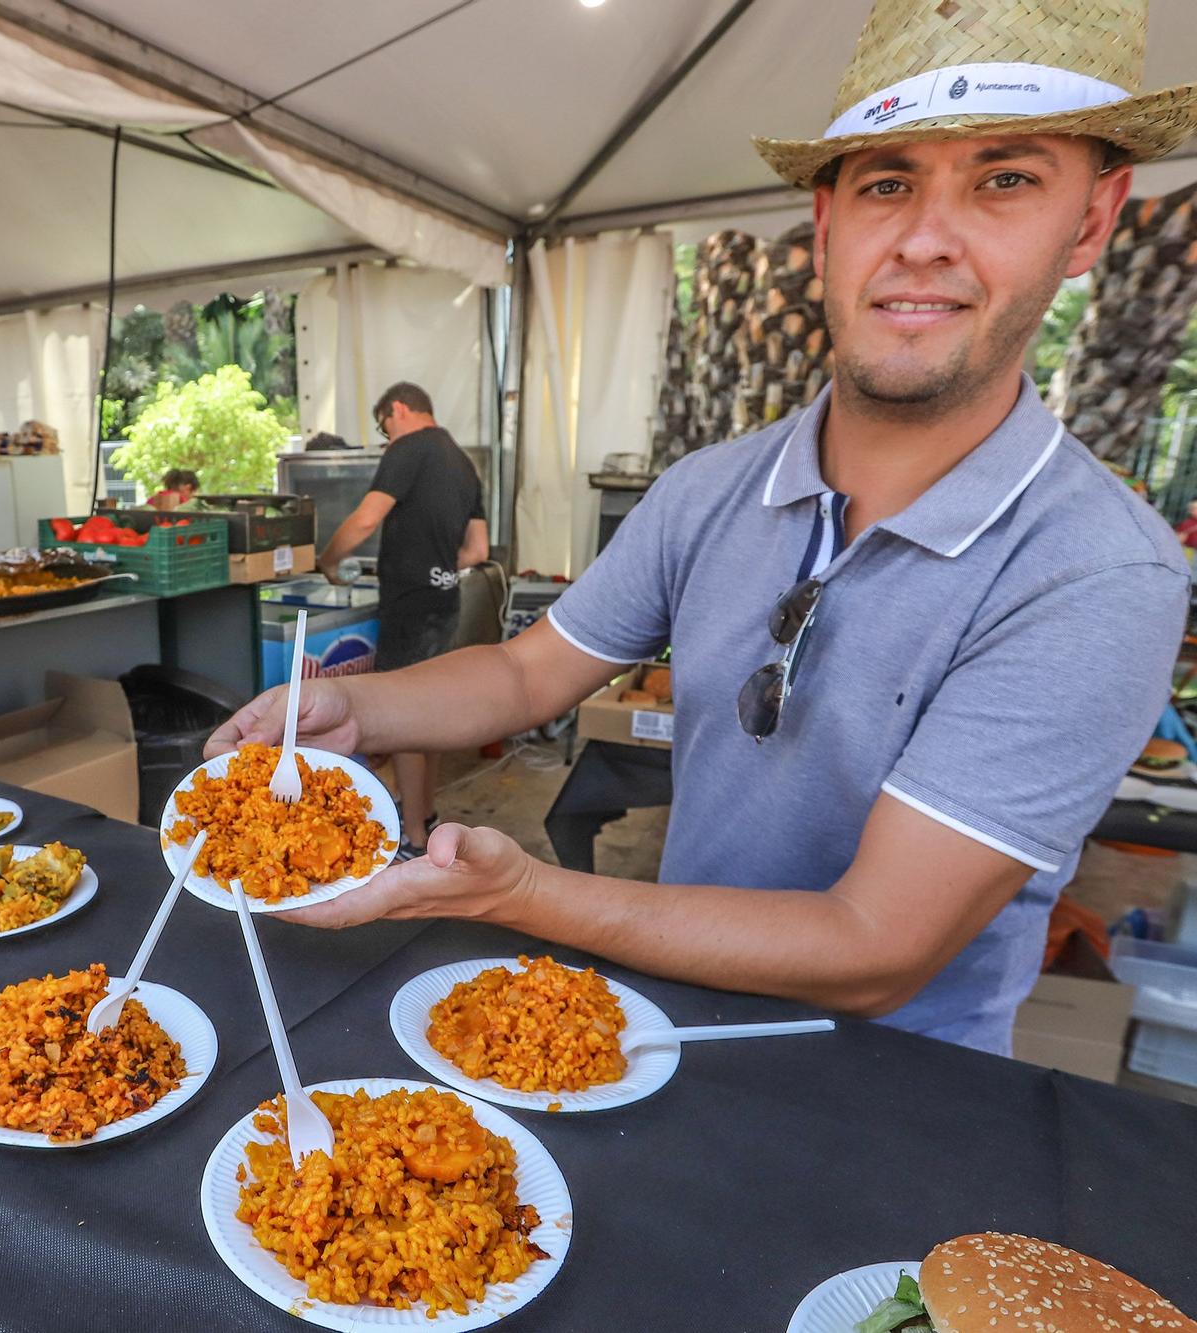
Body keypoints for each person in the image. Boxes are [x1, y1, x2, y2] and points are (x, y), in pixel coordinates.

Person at [207, 0, 1195, 1056]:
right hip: (662, 1028)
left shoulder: (1095, 571)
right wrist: (353, 708)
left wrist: (519, 896)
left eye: (1004, 180)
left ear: (1089, 222)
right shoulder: (709, 490)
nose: (922, 240)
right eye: (886, 183)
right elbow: (522, 678)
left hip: (902, 1092)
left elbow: (875, 943)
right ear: (825, 226)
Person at [316, 382, 487, 854]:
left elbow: (367, 519)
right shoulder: (463, 462)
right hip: (444, 603)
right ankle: (425, 813)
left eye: (383, 426)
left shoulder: (409, 447)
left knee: (406, 720)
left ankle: (412, 838)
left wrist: (327, 560)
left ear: (397, 409)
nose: (386, 435)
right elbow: (477, 550)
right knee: (428, 715)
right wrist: (438, 570)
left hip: (410, 604)